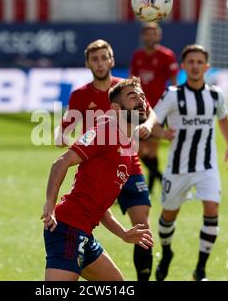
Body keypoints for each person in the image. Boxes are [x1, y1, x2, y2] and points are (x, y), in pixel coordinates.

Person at [54, 39, 157, 281]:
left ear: (112, 60)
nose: (100, 63)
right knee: (88, 213)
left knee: (143, 228)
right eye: (95, 59)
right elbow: (67, 123)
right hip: (99, 167)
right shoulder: (81, 95)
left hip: (129, 165)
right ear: (88, 63)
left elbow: (150, 113)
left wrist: (149, 127)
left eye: (104, 57)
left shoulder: (125, 89)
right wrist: (61, 135)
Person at [152, 44, 228, 281]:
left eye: (200, 62)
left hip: (206, 166)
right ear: (184, 66)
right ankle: (167, 253)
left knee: (212, 208)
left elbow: (224, 119)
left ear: (206, 67)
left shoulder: (215, 95)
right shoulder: (173, 94)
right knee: (169, 215)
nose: (196, 66)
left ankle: (200, 270)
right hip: (177, 168)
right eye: (191, 62)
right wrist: (161, 133)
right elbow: (153, 121)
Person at [130, 22, 179, 193]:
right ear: (143, 36)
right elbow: (132, 81)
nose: (150, 37)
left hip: (159, 109)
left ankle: (149, 189)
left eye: (154, 34)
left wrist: (174, 105)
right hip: (140, 108)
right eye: (147, 34)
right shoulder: (137, 56)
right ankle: (161, 179)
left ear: (159, 36)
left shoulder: (166, 56)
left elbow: (174, 83)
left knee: (153, 150)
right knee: (140, 150)